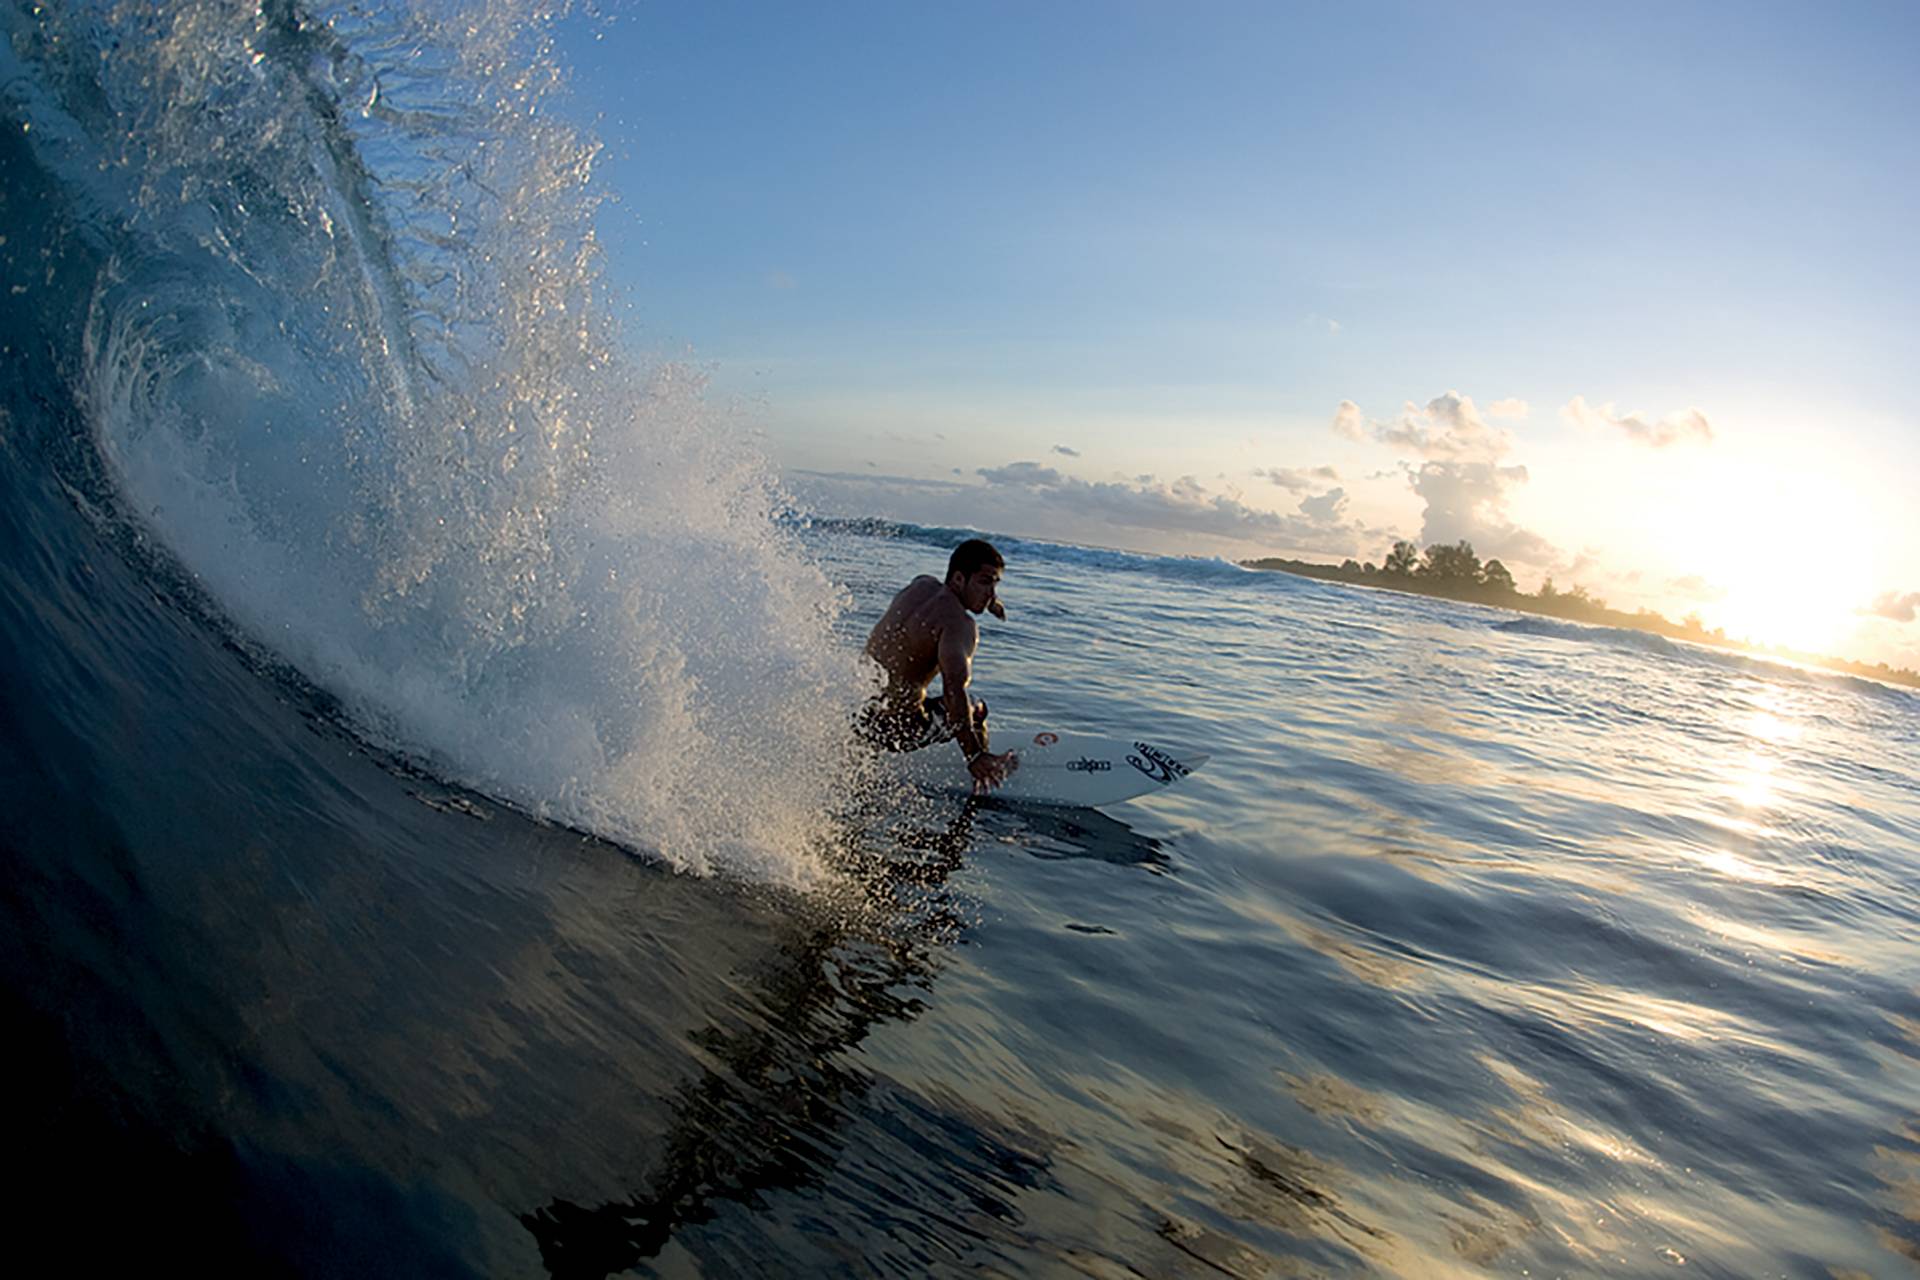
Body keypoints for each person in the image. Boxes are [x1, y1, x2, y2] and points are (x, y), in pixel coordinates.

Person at [860, 538, 1019, 792]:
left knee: (899, 691)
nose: (990, 593)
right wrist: (973, 755)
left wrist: (990, 602)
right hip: (896, 729)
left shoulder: (920, 584)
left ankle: (860, 762)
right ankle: (983, 775)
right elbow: (954, 689)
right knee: (974, 707)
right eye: (984, 582)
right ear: (958, 579)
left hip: (859, 715)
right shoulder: (959, 624)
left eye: (995, 585)